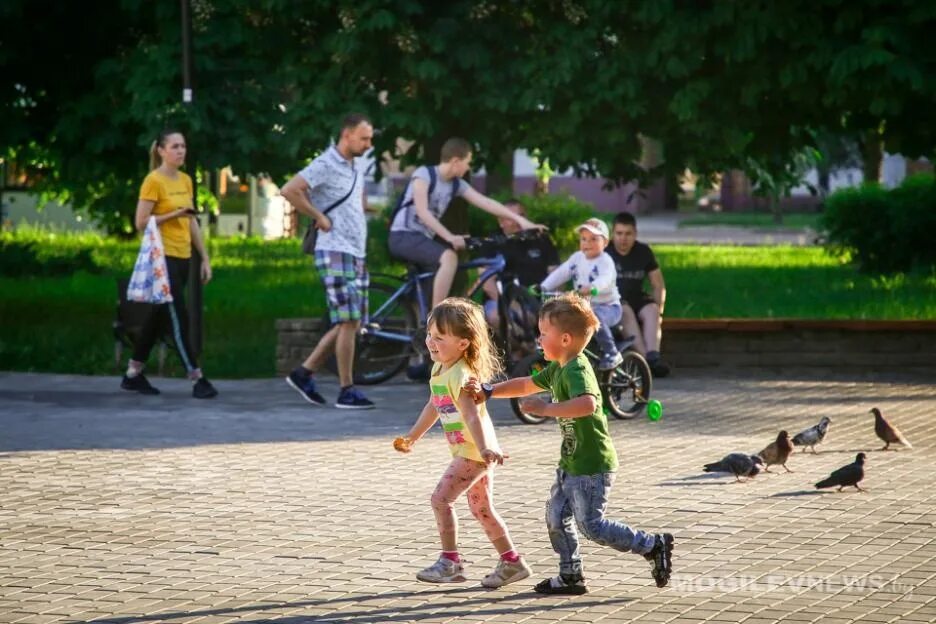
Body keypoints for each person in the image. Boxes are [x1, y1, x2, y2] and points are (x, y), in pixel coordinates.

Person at [465, 293, 674, 594]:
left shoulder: (576, 369)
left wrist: (546, 408)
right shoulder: (559, 367)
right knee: (556, 517)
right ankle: (570, 575)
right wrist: (489, 390)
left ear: (564, 339)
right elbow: (526, 383)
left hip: (592, 465)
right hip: (571, 463)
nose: (538, 338)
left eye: (543, 333)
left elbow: (588, 404)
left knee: (592, 526)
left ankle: (652, 545)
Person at [393, 298, 532, 588]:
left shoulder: (462, 376)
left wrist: (484, 449)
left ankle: (450, 562)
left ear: (463, 344)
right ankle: (512, 562)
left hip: (474, 453)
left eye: (440, 337)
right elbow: (434, 405)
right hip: (472, 451)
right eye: (430, 334)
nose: (431, 342)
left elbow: (472, 417)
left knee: (440, 499)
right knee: (482, 509)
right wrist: (413, 437)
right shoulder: (440, 369)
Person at [281, 113, 376, 409]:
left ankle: (304, 372)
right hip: (333, 249)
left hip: (356, 252)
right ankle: (347, 389)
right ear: (346, 135)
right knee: (347, 320)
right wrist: (318, 216)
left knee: (351, 321)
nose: (369, 144)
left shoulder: (356, 165)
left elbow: (355, 203)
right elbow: (290, 190)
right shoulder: (325, 163)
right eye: (364, 138)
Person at [388, 137, 543, 310]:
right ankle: (436, 318)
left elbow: (487, 203)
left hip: (422, 239)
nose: (469, 167)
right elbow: (423, 212)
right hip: (402, 235)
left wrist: (523, 221)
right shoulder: (424, 175)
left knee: (433, 279)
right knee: (449, 257)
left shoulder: (456, 185)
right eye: (467, 162)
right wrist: (450, 237)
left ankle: (422, 322)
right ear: (455, 161)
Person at [120, 128, 218, 399]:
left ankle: (133, 375)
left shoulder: (186, 180)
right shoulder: (153, 181)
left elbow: (191, 221)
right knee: (179, 315)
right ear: (161, 151)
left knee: (158, 316)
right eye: (174, 146)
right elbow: (140, 222)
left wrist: (204, 258)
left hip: (183, 256)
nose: (180, 151)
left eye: (183, 146)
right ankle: (197, 378)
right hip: (161, 258)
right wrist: (173, 214)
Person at [539, 218, 623, 370]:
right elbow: (561, 273)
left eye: (593, 239)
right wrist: (544, 286)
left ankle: (612, 352)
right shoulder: (577, 258)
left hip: (609, 307)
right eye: (584, 239)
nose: (587, 243)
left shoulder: (606, 261)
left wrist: (593, 288)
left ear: (605, 242)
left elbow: (606, 278)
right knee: (562, 317)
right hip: (585, 306)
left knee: (595, 315)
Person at [605, 212, 670, 377]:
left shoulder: (643, 251)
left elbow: (658, 285)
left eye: (628, 234)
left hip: (637, 297)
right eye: (619, 233)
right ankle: (645, 362)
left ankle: (653, 357)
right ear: (613, 234)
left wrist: (660, 311)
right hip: (615, 301)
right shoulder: (605, 253)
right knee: (624, 309)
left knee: (652, 309)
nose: (623, 238)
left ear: (635, 234)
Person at [480, 198, 560, 327]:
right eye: (511, 217)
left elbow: (557, 274)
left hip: (540, 299)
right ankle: (517, 346)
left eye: (521, 216)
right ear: (501, 222)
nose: (518, 221)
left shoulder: (541, 238)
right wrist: (514, 307)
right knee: (497, 317)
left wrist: (551, 303)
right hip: (502, 300)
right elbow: (487, 284)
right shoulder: (491, 242)